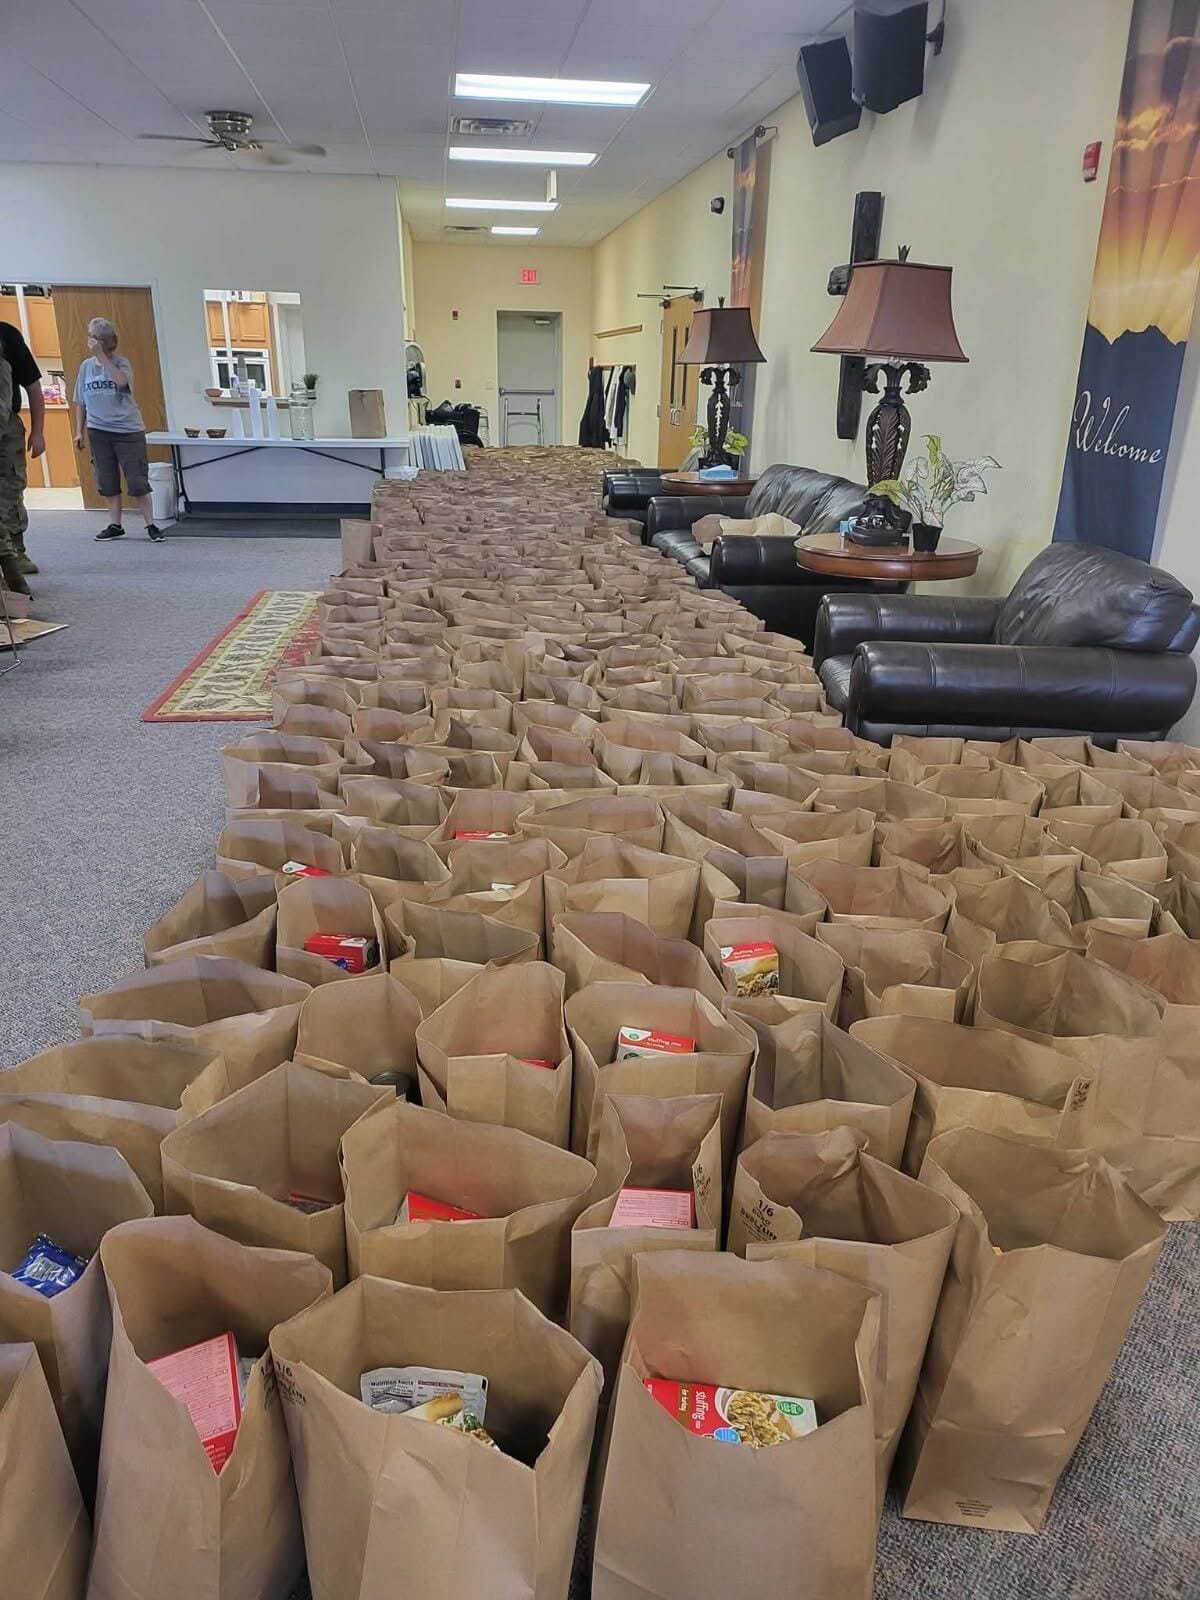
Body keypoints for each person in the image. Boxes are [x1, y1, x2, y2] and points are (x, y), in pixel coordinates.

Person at [72, 317, 166, 543]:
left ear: (105, 341)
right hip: (98, 431)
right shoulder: (85, 367)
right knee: (107, 479)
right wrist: (79, 431)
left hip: (128, 431)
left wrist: (102, 357)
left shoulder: (121, 363)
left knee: (137, 479)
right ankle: (115, 525)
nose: (89, 341)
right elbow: (79, 402)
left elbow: (122, 383)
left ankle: (151, 525)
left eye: (93, 337)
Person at [0, 318, 46, 593]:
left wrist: (38, 432)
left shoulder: (7, 336)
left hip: (8, 429)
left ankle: (16, 553)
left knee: (11, 491)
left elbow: (33, 387)